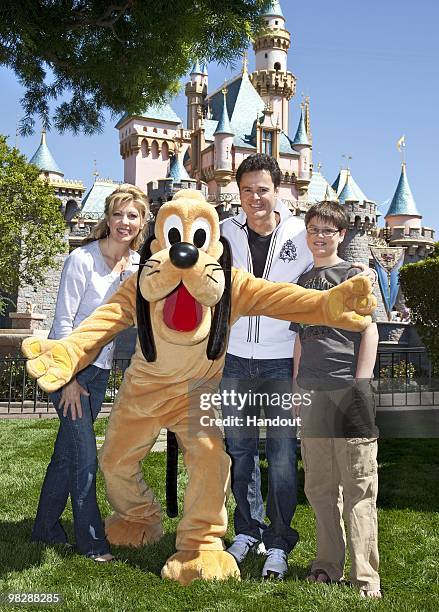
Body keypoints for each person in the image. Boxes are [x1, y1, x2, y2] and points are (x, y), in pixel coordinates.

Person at [31, 184, 149, 561]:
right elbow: (62, 324)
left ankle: (45, 529)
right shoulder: (82, 260)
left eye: (133, 216)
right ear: (107, 218)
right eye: (118, 214)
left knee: (66, 456)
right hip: (68, 371)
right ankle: (92, 543)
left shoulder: (134, 267)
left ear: (142, 222)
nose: (124, 222)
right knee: (84, 460)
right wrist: (68, 382)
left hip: (99, 373)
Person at [220, 154, 314, 579]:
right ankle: (247, 529)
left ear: (278, 190)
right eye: (247, 190)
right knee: (239, 451)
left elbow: (323, 281)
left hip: (280, 361)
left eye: (262, 189)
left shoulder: (300, 233)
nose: (255, 198)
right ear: (237, 193)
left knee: (279, 456)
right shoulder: (224, 232)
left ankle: (278, 540)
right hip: (235, 357)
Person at [291, 200, 381, 598]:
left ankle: (365, 577)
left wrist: (361, 385)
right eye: (314, 229)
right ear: (307, 234)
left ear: (342, 235)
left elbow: (370, 332)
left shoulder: (355, 275)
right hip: (311, 393)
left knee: (359, 485)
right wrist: (296, 387)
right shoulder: (303, 281)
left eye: (329, 230)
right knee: (320, 486)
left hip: (348, 392)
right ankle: (327, 564)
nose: (320, 236)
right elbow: (298, 338)